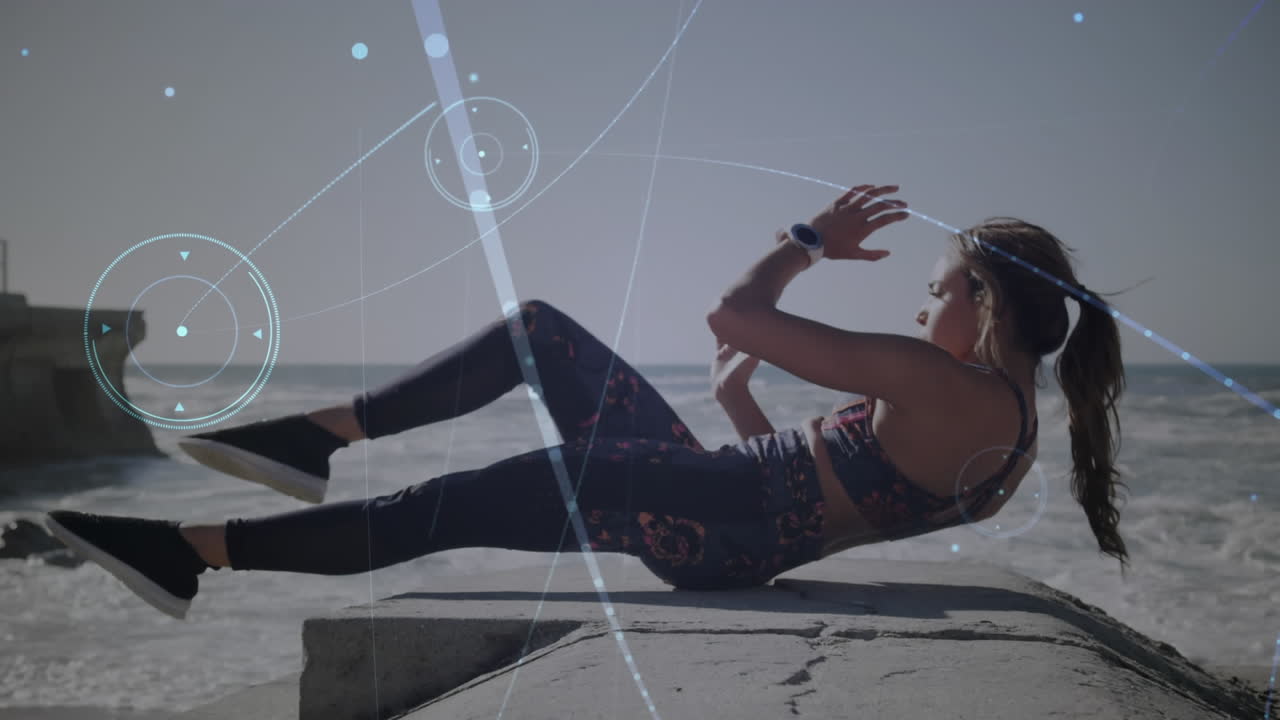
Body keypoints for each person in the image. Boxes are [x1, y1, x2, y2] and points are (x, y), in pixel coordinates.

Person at [43, 184, 1129, 621]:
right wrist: (737, 405)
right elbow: (835, 508)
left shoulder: (940, 379)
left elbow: (733, 312)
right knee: (540, 334)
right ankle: (311, 440)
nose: (921, 303)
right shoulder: (1017, 439)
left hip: (707, 510)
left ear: (985, 300)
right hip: (721, 518)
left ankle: (196, 551)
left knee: (455, 502)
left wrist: (806, 242)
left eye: (936, 289)